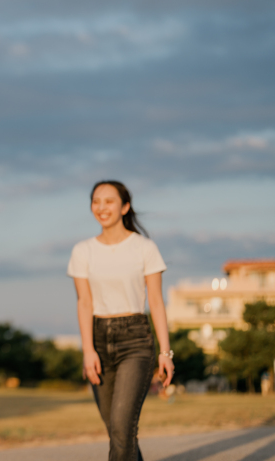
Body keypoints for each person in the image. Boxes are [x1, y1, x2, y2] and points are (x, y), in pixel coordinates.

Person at [67, 180, 174, 461]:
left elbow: (155, 302)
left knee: (123, 428)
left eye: (109, 201)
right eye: (96, 201)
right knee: (117, 430)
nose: (101, 207)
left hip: (135, 340)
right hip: (98, 339)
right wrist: (88, 350)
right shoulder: (83, 251)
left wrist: (165, 352)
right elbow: (84, 302)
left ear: (125, 206)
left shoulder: (144, 248)